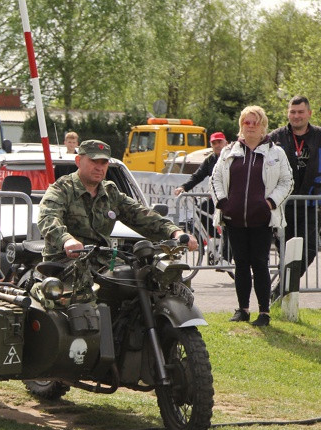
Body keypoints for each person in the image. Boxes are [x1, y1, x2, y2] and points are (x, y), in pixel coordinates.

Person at [38, 139, 197, 263]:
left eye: (104, 162)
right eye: (94, 161)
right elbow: (48, 219)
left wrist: (175, 231)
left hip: (101, 261)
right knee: (82, 300)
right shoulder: (62, 189)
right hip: (64, 262)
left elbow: (141, 215)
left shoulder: (110, 192)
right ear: (79, 161)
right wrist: (67, 241)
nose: (99, 167)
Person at [211, 106, 293, 327]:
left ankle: (264, 313)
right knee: (241, 264)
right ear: (241, 125)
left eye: (255, 122)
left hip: (262, 220)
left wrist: (270, 203)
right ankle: (243, 310)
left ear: (263, 125)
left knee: (260, 263)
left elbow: (287, 182)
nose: (251, 126)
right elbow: (215, 178)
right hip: (234, 219)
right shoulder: (229, 152)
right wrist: (222, 202)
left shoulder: (276, 153)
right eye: (247, 122)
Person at [269, 95, 321, 293]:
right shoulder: (276, 137)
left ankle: (281, 289)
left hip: (309, 205)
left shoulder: (318, 136)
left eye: (300, 112)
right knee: (285, 252)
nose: (296, 116)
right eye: (292, 112)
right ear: (288, 113)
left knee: (308, 250)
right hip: (282, 206)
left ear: (309, 113)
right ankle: (283, 294)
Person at [174, 132, 231, 263]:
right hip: (217, 197)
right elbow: (197, 176)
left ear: (226, 143)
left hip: (231, 198)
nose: (217, 145)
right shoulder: (210, 160)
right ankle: (216, 238)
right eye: (214, 143)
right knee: (201, 209)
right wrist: (183, 187)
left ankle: (226, 260)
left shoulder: (231, 157)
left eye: (219, 142)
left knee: (228, 225)